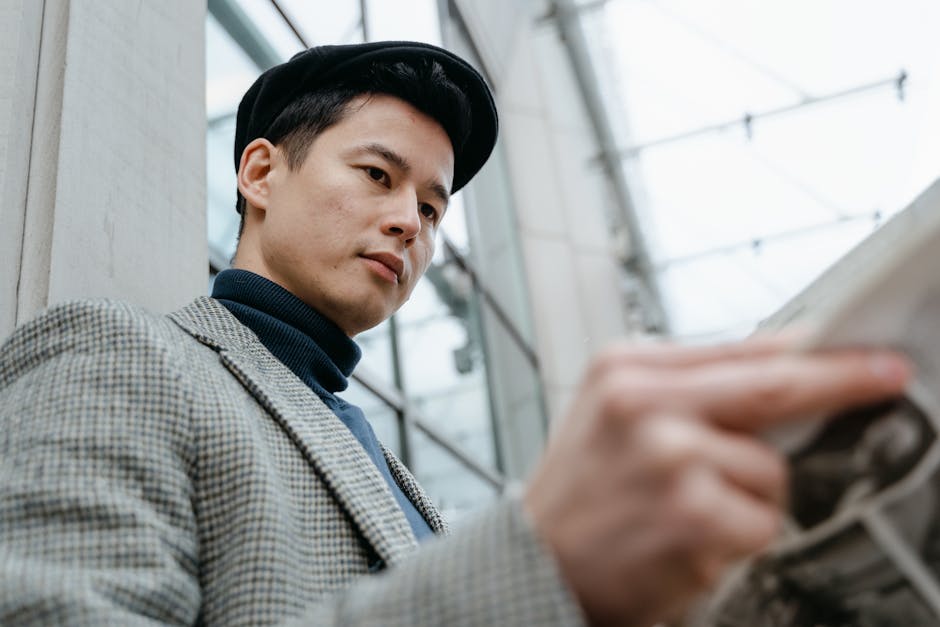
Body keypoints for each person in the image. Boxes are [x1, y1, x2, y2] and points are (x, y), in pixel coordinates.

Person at [0, 41, 911, 626]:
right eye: (378, 174)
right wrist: (536, 561)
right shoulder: (115, 355)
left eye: (433, 208)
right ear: (260, 173)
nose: (412, 223)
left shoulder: (393, 471)